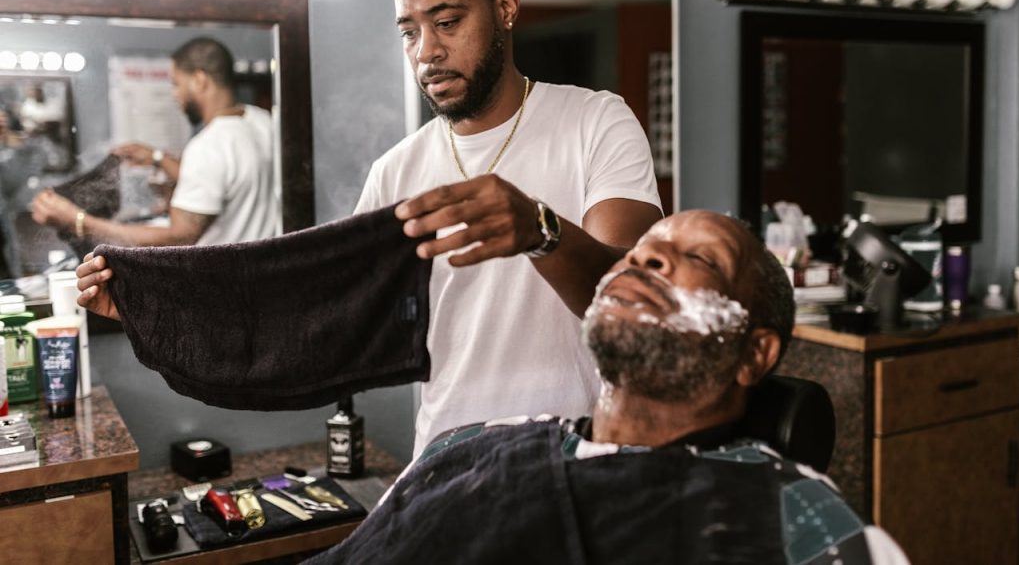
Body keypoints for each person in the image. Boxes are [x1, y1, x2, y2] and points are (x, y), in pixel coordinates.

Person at [77, 0, 663, 456]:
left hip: (583, 450)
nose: (426, 51)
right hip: (451, 455)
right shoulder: (396, 171)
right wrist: (146, 303)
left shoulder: (595, 121)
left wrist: (540, 231)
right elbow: (316, 323)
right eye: (410, 31)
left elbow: (629, 306)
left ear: (505, 9)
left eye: (448, 22)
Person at [308, 210, 909, 565]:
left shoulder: (793, 515)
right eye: (641, 251)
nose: (646, 260)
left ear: (754, 355)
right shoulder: (461, 449)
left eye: (699, 257)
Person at [31, 37, 277, 247]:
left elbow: (179, 237)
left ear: (200, 80)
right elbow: (223, 178)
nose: (174, 94)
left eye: (176, 84)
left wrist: (77, 221)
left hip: (227, 288)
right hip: (262, 273)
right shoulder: (261, 121)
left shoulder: (209, 145)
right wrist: (157, 158)